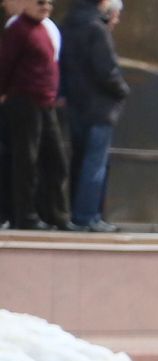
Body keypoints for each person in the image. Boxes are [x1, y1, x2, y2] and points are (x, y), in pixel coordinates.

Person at [0, 0, 69, 230]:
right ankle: (25, 216)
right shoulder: (18, 29)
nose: (46, 6)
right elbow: (5, 64)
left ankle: (56, 215)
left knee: (56, 160)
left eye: (49, 2)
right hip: (24, 101)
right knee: (26, 160)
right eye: (40, 2)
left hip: (45, 102)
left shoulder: (44, 29)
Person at [59, 0, 127, 232]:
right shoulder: (96, 29)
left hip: (76, 105)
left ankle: (80, 214)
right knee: (95, 163)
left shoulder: (67, 25)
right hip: (100, 107)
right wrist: (122, 90)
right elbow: (107, 70)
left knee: (80, 160)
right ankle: (88, 216)